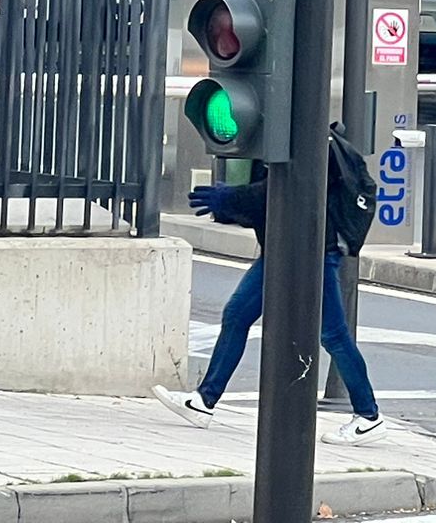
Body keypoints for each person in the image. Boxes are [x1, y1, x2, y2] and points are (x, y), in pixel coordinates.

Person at [154, 133, 383, 445]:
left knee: (333, 334)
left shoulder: (307, 141)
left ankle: (369, 415)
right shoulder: (275, 140)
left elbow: (281, 192)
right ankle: (204, 402)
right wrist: (228, 205)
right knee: (236, 315)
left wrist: (230, 199)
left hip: (312, 252)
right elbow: (267, 204)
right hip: (282, 249)